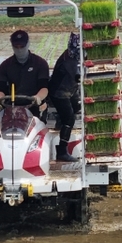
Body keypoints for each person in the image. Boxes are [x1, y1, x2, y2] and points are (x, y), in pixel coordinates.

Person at [0, 30, 49, 120]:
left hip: (35, 105)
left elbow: (44, 87)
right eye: (16, 46)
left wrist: (38, 97)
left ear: (28, 44)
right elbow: (1, 88)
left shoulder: (40, 63)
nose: (19, 49)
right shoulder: (5, 65)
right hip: (11, 106)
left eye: (22, 46)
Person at [48, 32, 81, 162]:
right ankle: (62, 151)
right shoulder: (70, 62)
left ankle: (59, 121)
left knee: (76, 106)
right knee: (70, 119)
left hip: (69, 90)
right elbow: (79, 77)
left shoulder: (70, 54)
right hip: (59, 93)